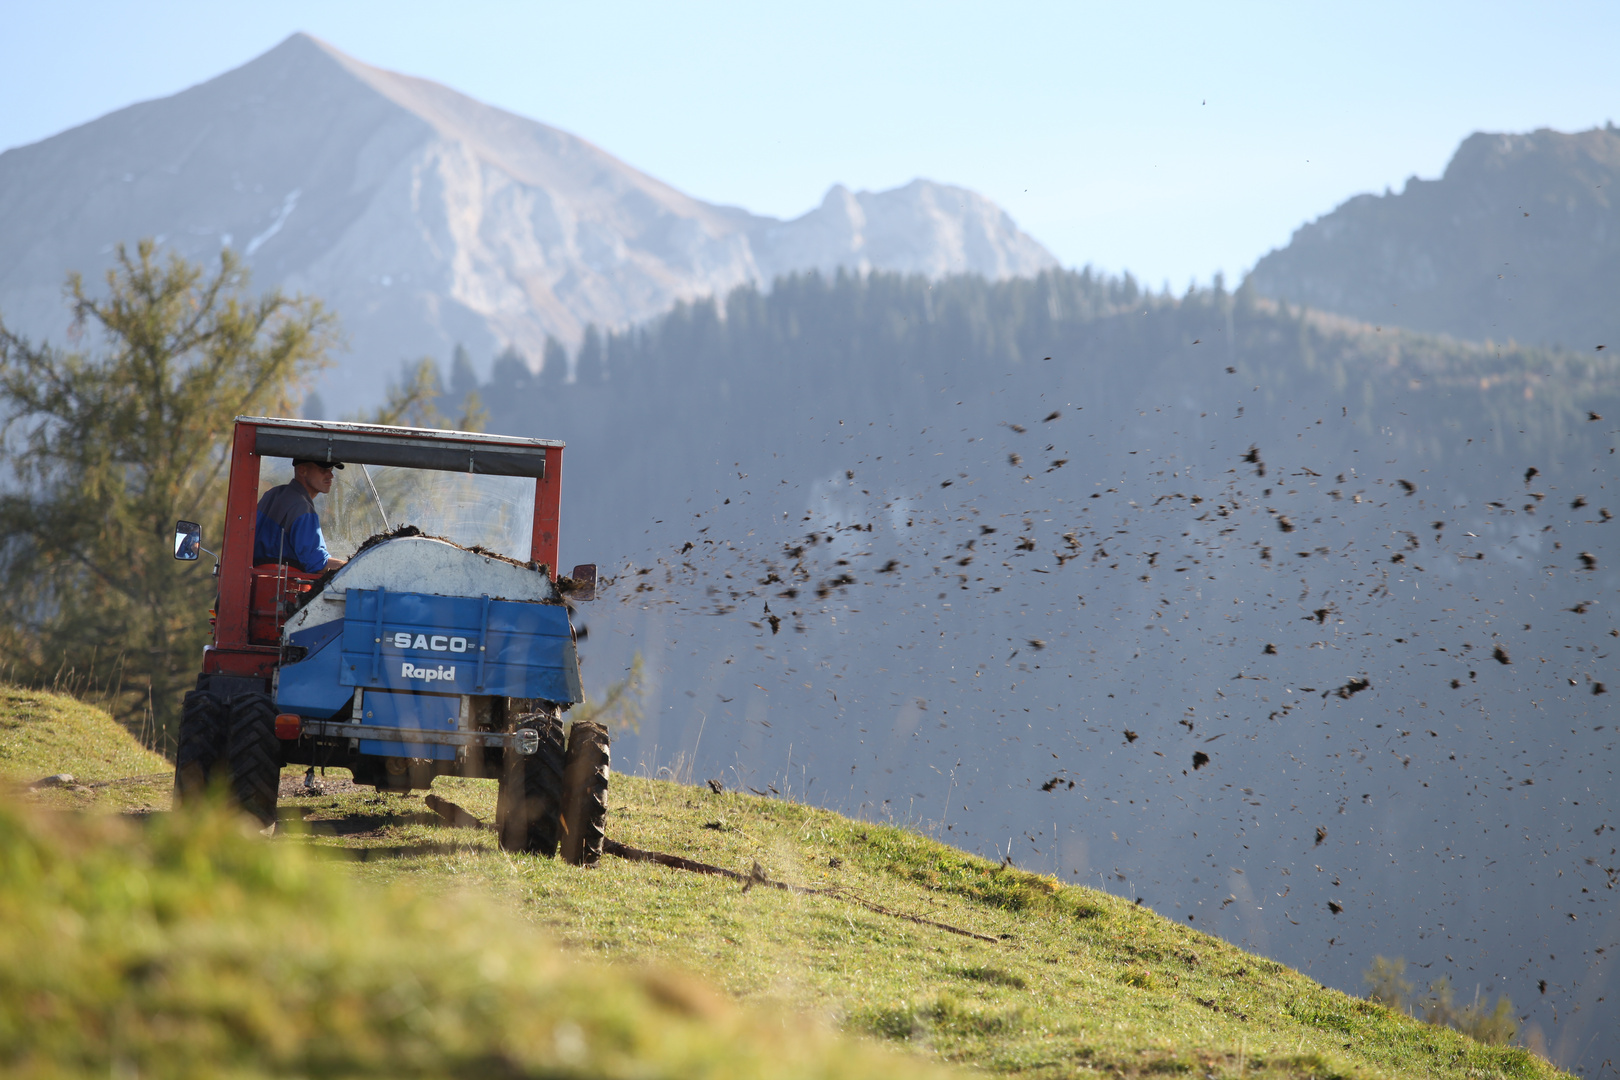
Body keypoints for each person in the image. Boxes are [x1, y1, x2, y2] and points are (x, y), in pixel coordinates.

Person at [254, 459, 348, 573]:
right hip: (283, 584)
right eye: (323, 469)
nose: (331, 475)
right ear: (302, 470)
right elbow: (316, 563)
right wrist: (355, 567)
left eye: (331, 469)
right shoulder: (302, 507)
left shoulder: (273, 494)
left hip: (257, 579)